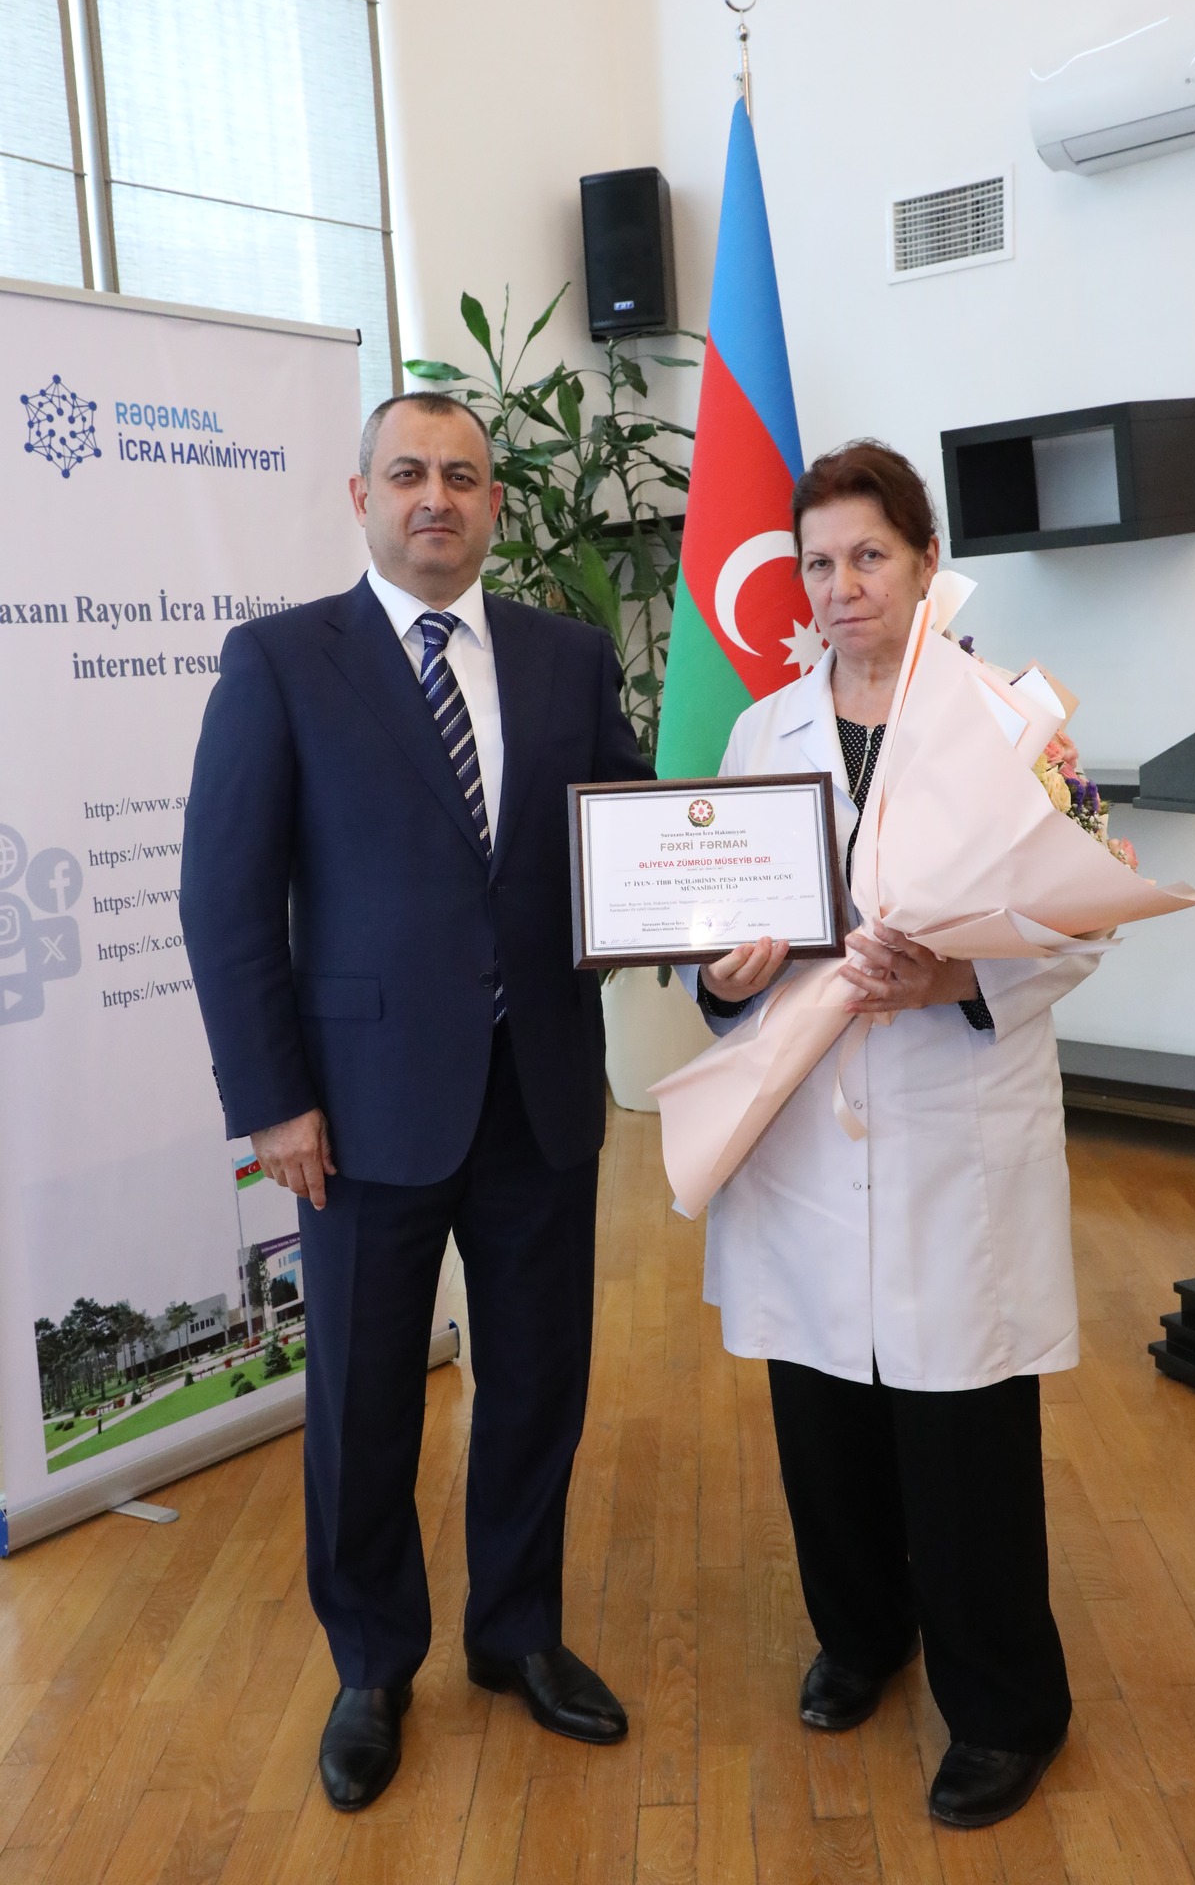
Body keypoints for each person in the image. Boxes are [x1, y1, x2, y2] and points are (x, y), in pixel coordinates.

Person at [181, 393, 650, 1812]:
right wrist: (273, 1102)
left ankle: (517, 1634)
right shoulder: (281, 661)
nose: (434, 496)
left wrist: (721, 904)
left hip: (539, 1094)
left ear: (496, 504)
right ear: (361, 498)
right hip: (360, 1109)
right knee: (365, 1401)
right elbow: (225, 899)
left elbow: (634, 842)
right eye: (407, 474)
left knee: (537, 1386)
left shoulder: (568, 658)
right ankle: (372, 1663)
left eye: (461, 475)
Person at [684, 439, 1098, 1831]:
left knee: (962, 1426)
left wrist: (960, 976)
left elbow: (1081, 918)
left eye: (869, 555)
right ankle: (861, 1634)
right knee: (821, 1411)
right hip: (804, 1130)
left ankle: (1005, 1708)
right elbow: (712, 934)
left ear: (924, 565)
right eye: (819, 562)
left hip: (949, 1127)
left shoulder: (1009, 722)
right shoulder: (762, 736)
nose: (841, 584)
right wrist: (719, 976)